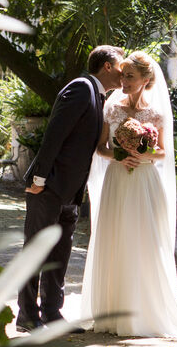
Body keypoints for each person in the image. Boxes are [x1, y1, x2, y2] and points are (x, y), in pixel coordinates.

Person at [16, 45, 125, 332]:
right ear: (108, 66)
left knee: (60, 254)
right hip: (48, 186)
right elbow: (55, 133)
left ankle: (52, 314)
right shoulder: (81, 87)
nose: (125, 70)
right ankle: (27, 316)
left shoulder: (101, 96)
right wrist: (39, 179)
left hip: (70, 192)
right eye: (121, 64)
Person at [80, 51, 177, 338]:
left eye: (129, 76)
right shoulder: (112, 109)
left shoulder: (156, 113)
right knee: (115, 239)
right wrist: (118, 155)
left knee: (144, 242)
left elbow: (163, 152)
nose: (122, 81)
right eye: (122, 75)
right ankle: (113, 312)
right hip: (117, 180)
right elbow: (100, 148)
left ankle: (145, 313)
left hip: (144, 182)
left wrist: (142, 152)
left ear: (145, 80)